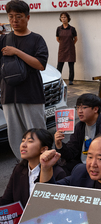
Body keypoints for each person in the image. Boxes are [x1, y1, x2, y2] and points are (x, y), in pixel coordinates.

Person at [0, 128, 66, 224]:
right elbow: (6, 201)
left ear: (44, 149)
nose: (23, 145)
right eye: (23, 140)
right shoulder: (19, 170)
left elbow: (54, 216)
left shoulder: (57, 173)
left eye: (30, 141)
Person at [0, 0, 48, 160]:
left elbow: (41, 65)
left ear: (27, 17)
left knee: (37, 134)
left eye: (18, 16)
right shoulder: (4, 40)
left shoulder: (36, 39)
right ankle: (24, 167)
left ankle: (44, 167)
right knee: (16, 137)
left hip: (31, 96)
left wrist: (16, 52)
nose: (14, 20)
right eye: (11, 16)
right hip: (9, 96)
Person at [55, 93, 101, 175]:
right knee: (57, 169)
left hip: (100, 167)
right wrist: (59, 144)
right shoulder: (79, 126)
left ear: (95, 109)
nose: (79, 111)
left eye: (84, 108)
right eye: (78, 108)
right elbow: (71, 152)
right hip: (82, 165)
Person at [56, 11, 77, 85]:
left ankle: (71, 80)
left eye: (65, 17)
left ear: (68, 18)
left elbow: (76, 39)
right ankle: (57, 79)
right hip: (62, 49)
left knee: (71, 66)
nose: (63, 19)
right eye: (62, 17)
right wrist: (63, 44)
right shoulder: (58, 29)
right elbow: (58, 39)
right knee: (59, 66)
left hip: (70, 49)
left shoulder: (72, 29)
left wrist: (70, 44)